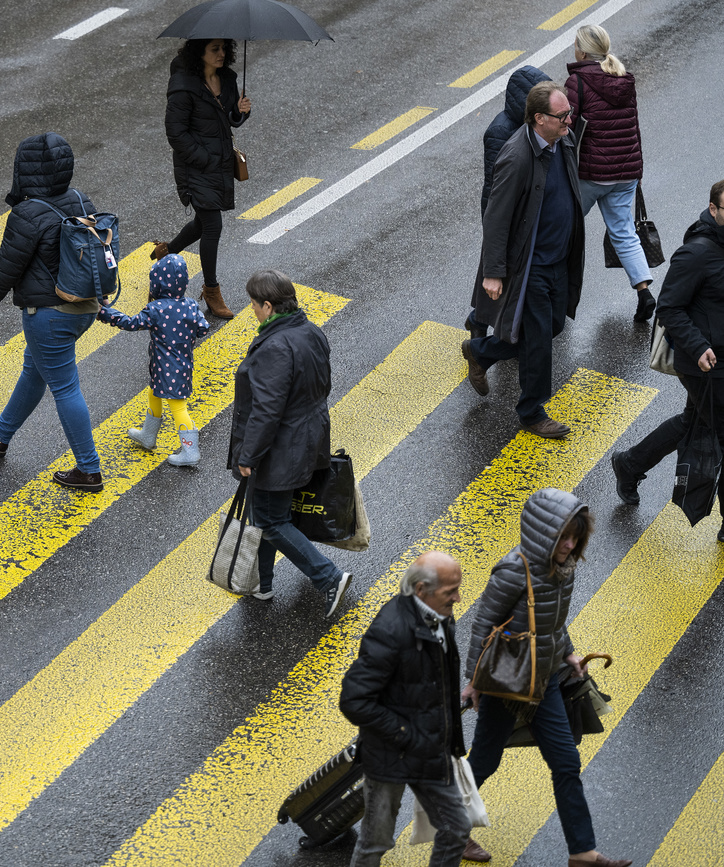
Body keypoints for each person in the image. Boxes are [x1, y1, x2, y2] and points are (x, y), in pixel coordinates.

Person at [460, 489, 631, 867]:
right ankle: (452, 830)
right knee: (485, 761)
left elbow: (551, 621)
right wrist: (473, 682)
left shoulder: (563, 568)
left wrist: (568, 652)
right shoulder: (511, 571)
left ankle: (582, 853)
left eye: (575, 537)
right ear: (543, 534)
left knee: (566, 763)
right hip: (507, 683)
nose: (569, 545)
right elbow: (482, 625)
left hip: (546, 679)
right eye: (563, 537)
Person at [0, 132, 103, 492]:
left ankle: (89, 470)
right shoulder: (79, 198)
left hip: (49, 314)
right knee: (35, 367)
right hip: (84, 307)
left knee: (65, 387)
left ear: (25, 170)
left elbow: (5, 268)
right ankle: (0, 434)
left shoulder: (26, 214)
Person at [464, 81, 585, 440]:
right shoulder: (516, 156)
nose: (569, 120)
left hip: (559, 258)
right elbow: (496, 217)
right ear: (538, 119)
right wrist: (494, 272)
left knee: (553, 326)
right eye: (562, 115)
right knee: (538, 340)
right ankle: (532, 411)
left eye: (569, 113)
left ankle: (481, 351)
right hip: (530, 264)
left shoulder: (563, 138)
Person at [339, 551, 474, 867]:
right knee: (375, 844)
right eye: (449, 591)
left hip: (429, 749)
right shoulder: (391, 630)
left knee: (456, 827)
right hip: (391, 755)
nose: (458, 597)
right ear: (420, 589)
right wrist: (406, 735)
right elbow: (354, 700)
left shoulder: (438, 615)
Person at [229, 269, 352, 612]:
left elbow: (267, 411)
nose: (251, 309)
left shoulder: (276, 346)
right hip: (308, 438)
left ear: (268, 306)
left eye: (253, 304)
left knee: (271, 520)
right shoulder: (310, 331)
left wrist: (249, 456)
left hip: (280, 449)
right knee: (266, 513)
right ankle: (263, 585)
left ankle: (329, 577)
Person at [612, 180, 724, 536]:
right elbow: (670, 308)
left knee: (696, 422)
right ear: (713, 210)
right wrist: (698, 346)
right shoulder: (697, 254)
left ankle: (630, 465)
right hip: (704, 361)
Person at [152, 38, 253, 321]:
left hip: (219, 164)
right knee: (212, 224)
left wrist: (240, 112)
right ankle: (211, 291)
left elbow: (229, 119)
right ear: (201, 52)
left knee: (202, 221)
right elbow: (176, 134)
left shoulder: (228, 79)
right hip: (195, 166)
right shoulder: (184, 87)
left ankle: (167, 252)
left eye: (224, 48)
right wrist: (204, 159)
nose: (222, 54)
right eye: (215, 49)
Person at [565, 24, 655, 322]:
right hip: (626, 172)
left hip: (591, 173)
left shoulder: (577, 82)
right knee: (624, 233)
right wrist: (637, 169)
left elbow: (566, 128)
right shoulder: (623, 79)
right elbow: (634, 127)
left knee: (565, 227)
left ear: (582, 50)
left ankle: (555, 293)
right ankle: (644, 292)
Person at [97, 254, 210, 466]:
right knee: (154, 393)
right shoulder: (191, 305)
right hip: (181, 365)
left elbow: (130, 323)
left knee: (178, 407)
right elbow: (203, 328)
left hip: (165, 367)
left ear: (157, 283)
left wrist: (105, 313)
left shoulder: (156, 309)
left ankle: (190, 451)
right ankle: (148, 436)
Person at [466, 65, 551, 339]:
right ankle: (477, 324)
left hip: (526, 213)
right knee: (498, 278)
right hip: (505, 217)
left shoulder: (533, 127)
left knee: (512, 279)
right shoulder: (501, 132)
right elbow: (495, 189)